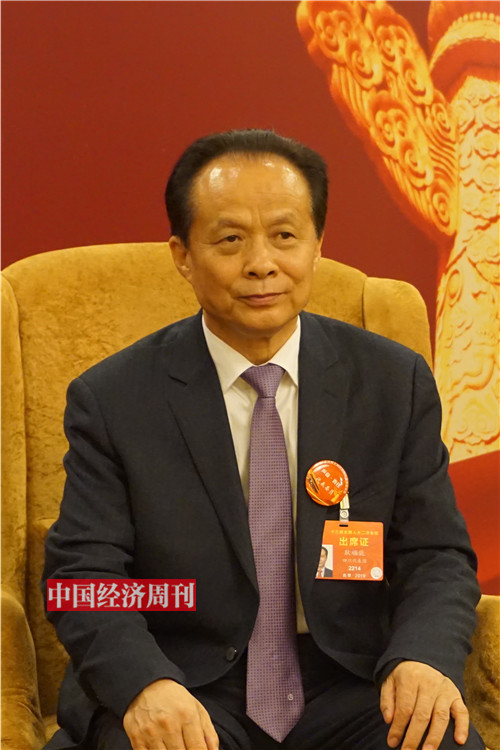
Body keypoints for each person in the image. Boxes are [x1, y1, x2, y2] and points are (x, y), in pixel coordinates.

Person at [42, 129, 484, 750]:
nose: (261, 263)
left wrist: (422, 657)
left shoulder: (392, 382)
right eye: (230, 240)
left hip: (351, 679)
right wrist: (143, 683)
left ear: (317, 245)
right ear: (182, 255)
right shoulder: (114, 399)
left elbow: (435, 555)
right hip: (185, 679)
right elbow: (84, 576)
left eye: (284, 236)